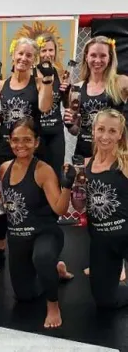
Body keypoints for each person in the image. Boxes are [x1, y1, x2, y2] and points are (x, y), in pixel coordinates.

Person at [0, 116, 74, 328]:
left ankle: (53, 304)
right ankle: (56, 271)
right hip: (18, 238)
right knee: (24, 295)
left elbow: (60, 209)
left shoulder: (43, 170)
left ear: (36, 142)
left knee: (43, 257)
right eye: (16, 140)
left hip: (44, 233)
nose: (21, 145)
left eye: (27, 140)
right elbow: (3, 205)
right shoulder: (4, 168)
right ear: (9, 141)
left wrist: (67, 186)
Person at [0, 37, 53, 268]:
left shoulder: (38, 84)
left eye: (29, 55)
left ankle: (34, 245)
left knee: (32, 199)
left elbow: (45, 108)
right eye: (20, 54)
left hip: (31, 151)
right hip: (6, 150)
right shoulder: (1, 85)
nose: (23, 58)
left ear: (34, 60)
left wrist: (47, 82)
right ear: (13, 55)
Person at [83, 108, 128, 308]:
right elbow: (78, 204)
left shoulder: (125, 162)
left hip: (125, 235)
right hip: (101, 241)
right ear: (93, 131)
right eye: (101, 129)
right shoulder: (86, 165)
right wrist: (71, 184)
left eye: (112, 131)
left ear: (120, 134)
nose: (105, 136)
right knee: (104, 301)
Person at [64, 36, 128, 158]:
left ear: (110, 58)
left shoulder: (121, 82)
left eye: (103, 56)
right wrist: (71, 124)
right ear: (86, 57)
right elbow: (75, 131)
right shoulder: (76, 88)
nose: (97, 60)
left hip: (113, 154)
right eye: (93, 55)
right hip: (84, 153)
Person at [35, 33, 69, 178]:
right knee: (35, 177)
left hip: (55, 133)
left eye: (51, 50)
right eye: (43, 50)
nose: (47, 54)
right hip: (36, 133)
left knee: (55, 176)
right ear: (38, 53)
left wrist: (67, 93)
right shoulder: (30, 74)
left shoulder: (60, 74)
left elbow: (66, 104)